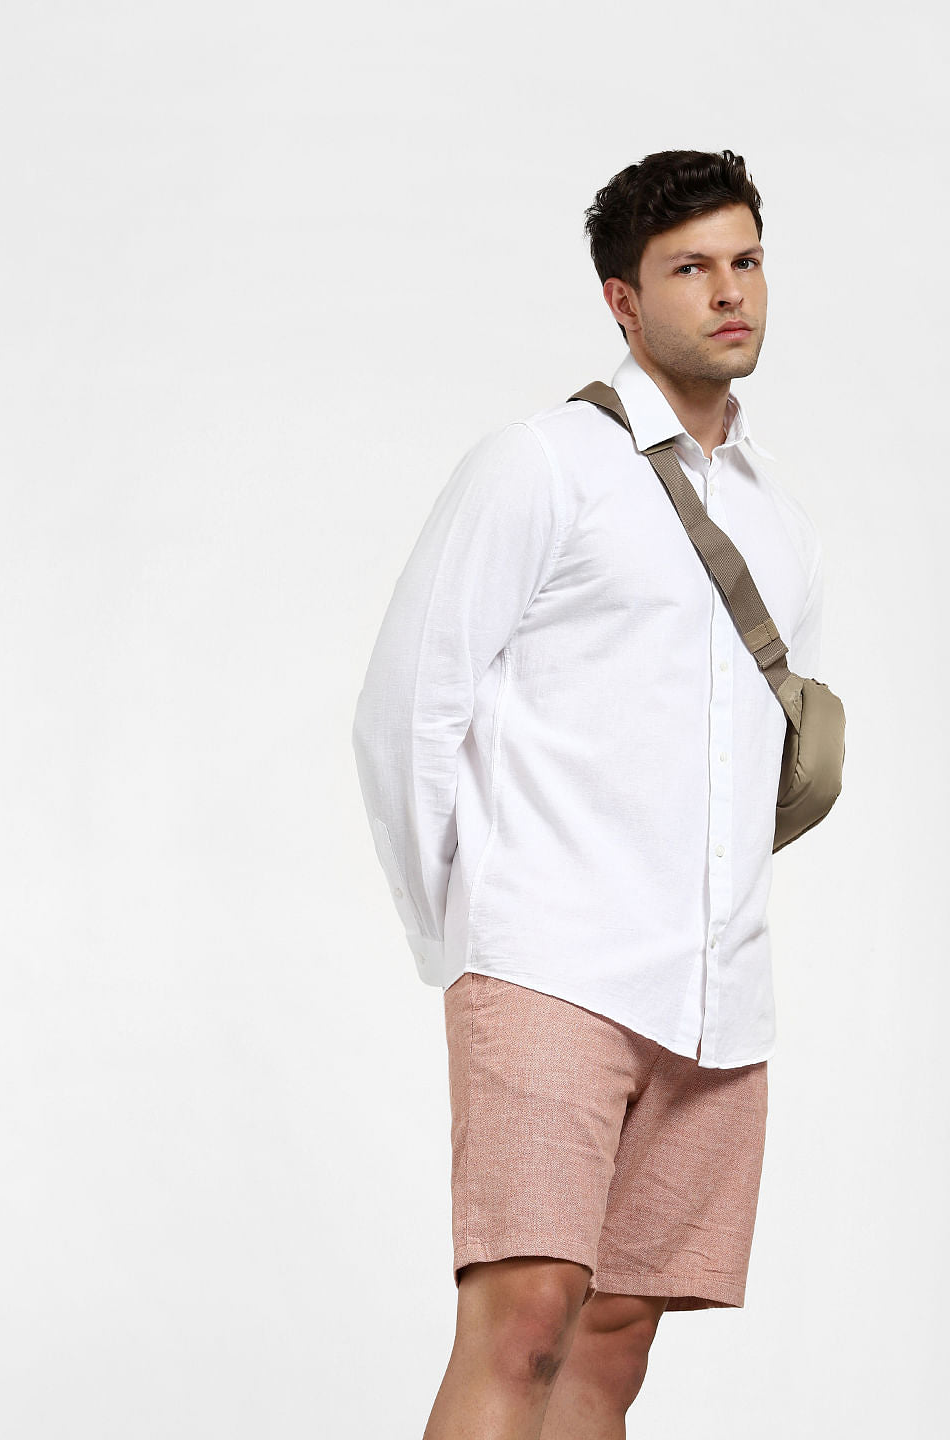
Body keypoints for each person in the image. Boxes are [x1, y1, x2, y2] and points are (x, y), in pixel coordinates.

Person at [350, 148, 825, 1440]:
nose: (729, 293)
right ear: (624, 299)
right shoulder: (542, 464)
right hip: (551, 959)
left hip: (717, 990)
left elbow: (759, 753)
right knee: (527, 1316)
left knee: (614, 1341)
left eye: (746, 261)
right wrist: (468, 933)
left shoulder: (778, 519)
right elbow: (407, 709)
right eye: (691, 269)